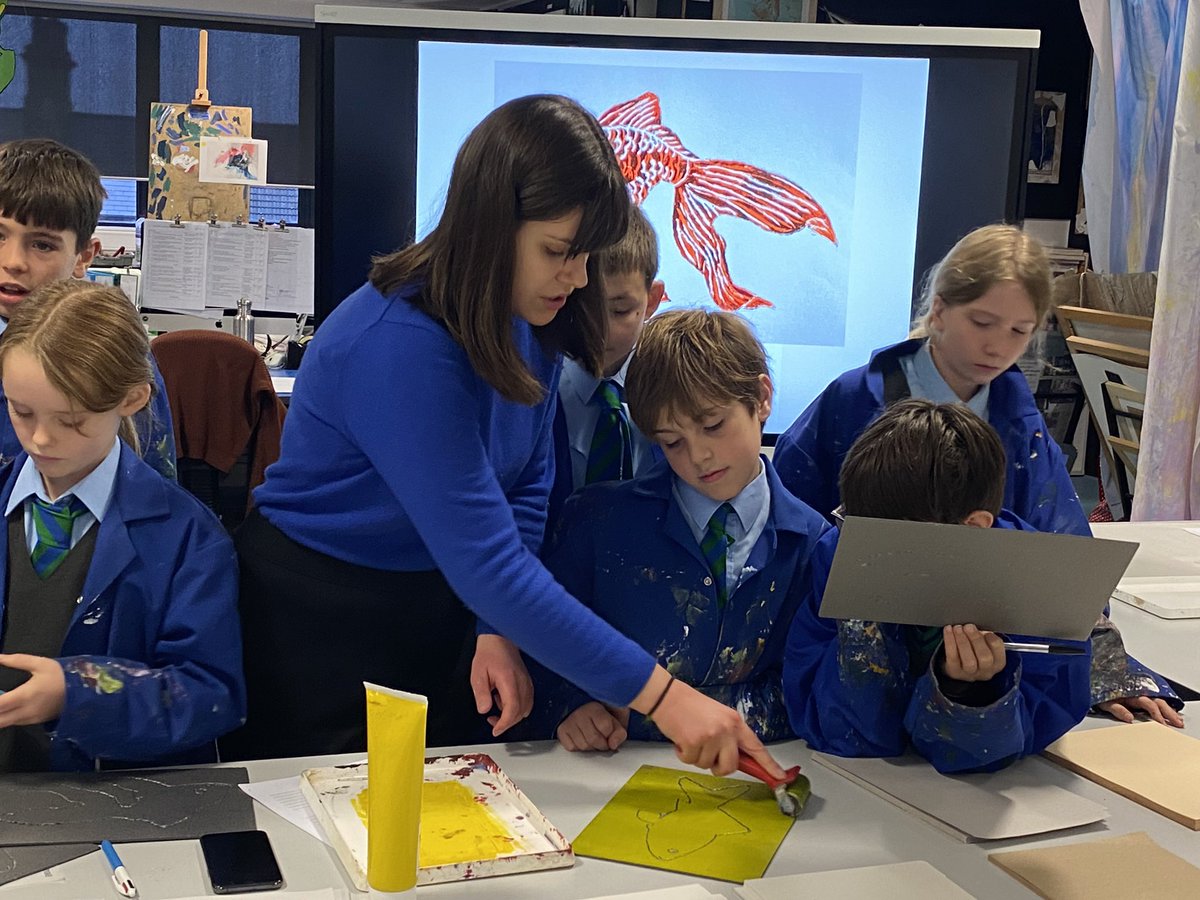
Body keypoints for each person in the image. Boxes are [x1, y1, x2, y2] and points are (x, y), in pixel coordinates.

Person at [227, 95, 786, 781]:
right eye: (558, 252)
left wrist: (496, 626)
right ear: (492, 225)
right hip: (322, 617)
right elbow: (488, 564)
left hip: (439, 597)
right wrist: (665, 698)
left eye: (584, 257)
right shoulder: (400, 345)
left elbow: (524, 479)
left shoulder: (531, 310)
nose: (575, 278)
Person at [774, 223, 1183, 726]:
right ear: (940, 309)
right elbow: (789, 517)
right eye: (983, 322)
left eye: (1019, 331)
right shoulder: (857, 397)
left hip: (983, 638)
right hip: (859, 626)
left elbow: (1058, 548)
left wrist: (1100, 664)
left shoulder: (1019, 416)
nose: (998, 347)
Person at [535, 308, 829, 752]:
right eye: (672, 442)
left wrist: (652, 712)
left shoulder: (814, 545)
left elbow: (803, 691)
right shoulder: (597, 521)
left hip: (749, 778)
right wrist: (571, 705)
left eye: (713, 426)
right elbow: (540, 647)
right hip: (607, 774)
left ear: (762, 397)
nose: (700, 456)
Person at [0, 281, 244, 772]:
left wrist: (79, 693)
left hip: (107, 799)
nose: (41, 439)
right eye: (21, 412)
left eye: (71, 421)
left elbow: (210, 694)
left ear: (132, 399)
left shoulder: (187, 539)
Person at [784, 400, 1092, 774]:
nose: (871, 552)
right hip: (857, 786)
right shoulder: (842, 554)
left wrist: (968, 692)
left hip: (973, 807)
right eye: (859, 527)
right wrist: (862, 637)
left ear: (973, 527)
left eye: (893, 540)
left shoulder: (1038, 593)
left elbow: (1024, 735)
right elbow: (822, 718)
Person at [0, 139, 177, 479]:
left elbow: (156, 488)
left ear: (83, 257)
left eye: (42, 245)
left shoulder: (111, 349)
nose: (14, 262)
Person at [548, 205, 664, 522]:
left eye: (620, 310)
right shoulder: (531, 385)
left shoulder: (673, 388)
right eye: (585, 307)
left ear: (652, 300)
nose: (599, 329)